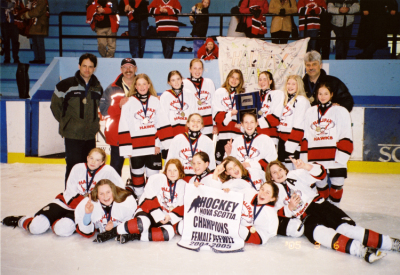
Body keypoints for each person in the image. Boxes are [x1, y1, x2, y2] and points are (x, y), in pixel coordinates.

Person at [266, 158, 400, 263]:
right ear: (271, 177)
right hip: (306, 218)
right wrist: (289, 209)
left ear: (285, 170)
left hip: (320, 206)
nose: (278, 173)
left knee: (346, 229)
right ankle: (361, 250)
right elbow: (275, 213)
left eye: (280, 170)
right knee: (321, 235)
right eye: (274, 172)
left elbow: (322, 173)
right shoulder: (272, 191)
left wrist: (305, 166)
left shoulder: (296, 174)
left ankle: (392, 243)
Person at [1, 148, 124, 237]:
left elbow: (120, 189)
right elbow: (69, 191)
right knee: (35, 227)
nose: (93, 162)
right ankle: (21, 220)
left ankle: (55, 222)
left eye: (97, 160)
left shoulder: (108, 171)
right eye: (91, 158)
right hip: (64, 203)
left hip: (82, 210)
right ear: (87, 158)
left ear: (102, 162)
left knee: (62, 230)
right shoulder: (78, 168)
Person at [94, 159, 186, 243]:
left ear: (180, 171)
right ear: (165, 170)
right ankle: (111, 233)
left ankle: (134, 236)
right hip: (148, 211)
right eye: (169, 170)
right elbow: (148, 198)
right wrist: (159, 215)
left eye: (175, 170)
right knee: (141, 224)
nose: (172, 173)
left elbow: (182, 206)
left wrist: (169, 217)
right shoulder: (157, 178)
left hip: (166, 218)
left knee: (168, 234)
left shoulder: (183, 185)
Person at [50, 53, 103, 184]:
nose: (87, 69)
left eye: (90, 67)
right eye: (84, 66)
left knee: (90, 167)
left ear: (94, 68)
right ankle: (70, 197)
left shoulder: (97, 87)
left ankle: (86, 195)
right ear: (79, 66)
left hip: (90, 135)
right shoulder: (65, 85)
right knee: (73, 167)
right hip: (73, 135)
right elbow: (55, 107)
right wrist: (67, 123)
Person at [118, 73, 172, 198]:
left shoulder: (155, 101)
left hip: (153, 147)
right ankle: (139, 200)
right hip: (136, 148)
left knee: (153, 177)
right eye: (139, 84)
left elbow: (161, 123)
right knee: (137, 177)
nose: (142, 87)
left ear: (149, 85)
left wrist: (159, 144)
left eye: (144, 84)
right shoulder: (128, 102)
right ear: (135, 86)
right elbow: (124, 126)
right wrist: (127, 148)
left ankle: (151, 200)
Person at [301, 83, 353, 207]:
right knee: (320, 183)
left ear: (331, 95)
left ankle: (335, 210)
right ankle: (325, 210)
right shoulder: (310, 111)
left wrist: (342, 155)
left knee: (337, 183)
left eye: (326, 93)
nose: (322, 96)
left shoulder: (340, 110)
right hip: (315, 155)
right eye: (320, 93)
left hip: (334, 154)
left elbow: (345, 133)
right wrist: (304, 158)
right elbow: (306, 135)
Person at [100, 58, 137, 176]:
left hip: (137, 135)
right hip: (117, 136)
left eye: (131, 67)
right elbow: (103, 111)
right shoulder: (111, 89)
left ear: (135, 69)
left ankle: (135, 192)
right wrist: (118, 106)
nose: (128, 70)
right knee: (115, 169)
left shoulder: (142, 85)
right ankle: (114, 193)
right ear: (121, 69)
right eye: (125, 67)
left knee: (137, 170)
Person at [166, 113, 216, 182]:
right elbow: (169, 161)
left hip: (199, 180)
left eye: (198, 121)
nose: (195, 123)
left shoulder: (208, 141)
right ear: (187, 124)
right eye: (192, 120)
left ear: (202, 125)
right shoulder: (177, 139)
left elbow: (211, 165)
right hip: (180, 178)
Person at [159, 70, 197, 159]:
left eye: (178, 79)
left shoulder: (189, 94)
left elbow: (194, 114)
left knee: (185, 158)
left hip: (186, 133)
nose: (176, 82)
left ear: (182, 80)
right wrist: (167, 139)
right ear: (169, 82)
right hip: (171, 135)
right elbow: (162, 117)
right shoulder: (165, 95)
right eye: (173, 80)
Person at [278, 75, 310, 171]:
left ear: (298, 86)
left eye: (293, 84)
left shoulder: (301, 100)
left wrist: (292, 144)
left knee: (293, 169)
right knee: (283, 168)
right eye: (288, 83)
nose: (290, 86)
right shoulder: (286, 99)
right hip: (283, 139)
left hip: (293, 139)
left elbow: (299, 124)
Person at [212, 69, 245, 164]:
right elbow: (216, 114)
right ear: (228, 78)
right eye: (232, 77)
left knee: (236, 162)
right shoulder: (219, 92)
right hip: (223, 133)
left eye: (237, 78)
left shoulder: (242, 95)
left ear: (240, 81)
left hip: (237, 133)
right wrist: (231, 114)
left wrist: (242, 124)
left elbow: (245, 115)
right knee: (220, 162)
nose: (234, 80)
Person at [182, 58, 216, 139]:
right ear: (190, 69)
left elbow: (214, 105)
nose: (197, 71)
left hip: (209, 127)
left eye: (200, 68)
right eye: (195, 68)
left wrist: (215, 124)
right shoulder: (184, 83)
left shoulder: (209, 82)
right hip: (193, 126)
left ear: (203, 69)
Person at [256, 71, 284, 147]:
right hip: (256, 136)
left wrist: (256, 122)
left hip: (270, 135)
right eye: (260, 79)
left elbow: (276, 118)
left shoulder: (277, 94)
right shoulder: (254, 96)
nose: (262, 82)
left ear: (270, 81)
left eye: (265, 79)